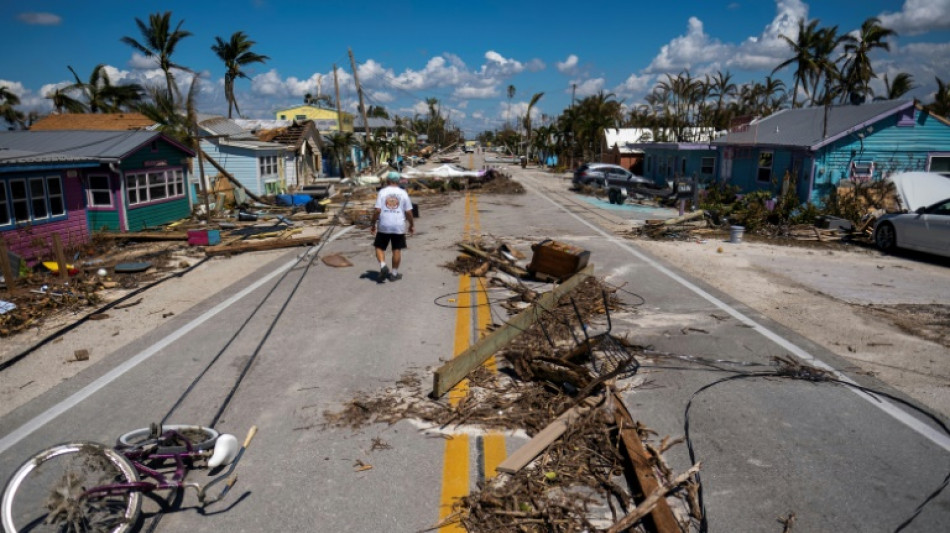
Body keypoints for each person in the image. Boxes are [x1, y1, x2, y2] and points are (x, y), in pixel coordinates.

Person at [370, 171, 414, 282]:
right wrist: (411, 225)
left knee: (379, 247)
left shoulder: (382, 192)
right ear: (398, 181)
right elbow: (408, 212)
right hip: (398, 225)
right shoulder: (403, 193)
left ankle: (383, 265)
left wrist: (373, 223)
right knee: (397, 249)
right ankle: (394, 274)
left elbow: (377, 210)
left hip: (384, 224)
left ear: (388, 181)